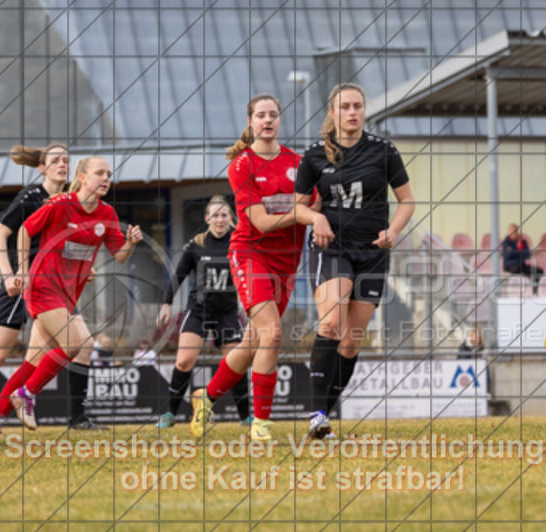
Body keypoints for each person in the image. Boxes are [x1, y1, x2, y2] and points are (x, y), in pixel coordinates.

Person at [0, 143, 107, 435]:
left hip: (55, 289)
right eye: (56, 160)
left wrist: (83, 268)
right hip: (22, 285)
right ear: (42, 167)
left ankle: (76, 418)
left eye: (67, 160)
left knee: (80, 347)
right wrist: (10, 274)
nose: (63, 164)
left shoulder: (72, 201)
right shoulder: (31, 196)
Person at [0, 156, 143, 437]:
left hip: (67, 294)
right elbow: (24, 231)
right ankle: (26, 395)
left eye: (109, 174)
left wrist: (130, 242)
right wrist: (23, 270)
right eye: (99, 173)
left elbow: (119, 257)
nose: (106, 179)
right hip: (43, 287)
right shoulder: (60, 205)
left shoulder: (107, 213)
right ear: (82, 177)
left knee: (34, 362)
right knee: (77, 343)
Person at [293, 83, 414, 440]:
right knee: (330, 324)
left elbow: (407, 201)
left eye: (357, 106)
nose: (352, 112)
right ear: (332, 112)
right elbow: (298, 206)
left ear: (364, 110)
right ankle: (316, 414)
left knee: (351, 341)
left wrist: (393, 230)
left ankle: (323, 416)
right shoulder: (315, 155)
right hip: (332, 248)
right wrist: (317, 219)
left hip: (373, 251)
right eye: (344, 106)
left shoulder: (384, 151)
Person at [188, 94, 310, 442]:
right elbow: (259, 221)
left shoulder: (299, 163)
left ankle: (206, 397)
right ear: (251, 122)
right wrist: (305, 212)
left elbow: (318, 200)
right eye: (261, 115)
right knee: (271, 334)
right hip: (250, 254)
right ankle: (261, 424)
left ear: (280, 120)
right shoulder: (242, 165)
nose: (267, 120)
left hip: (287, 264)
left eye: (273, 114)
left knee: (255, 342)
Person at [156, 195, 251, 429]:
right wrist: (166, 304)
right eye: (215, 215)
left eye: (224, 215)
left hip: (227, 313)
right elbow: (178, 276)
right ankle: (170, 414)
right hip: (198, 310)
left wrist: (253, 310)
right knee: (184, 361)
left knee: (236, 363)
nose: (220, 220)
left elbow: (251, 277)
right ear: (207, 218)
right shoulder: (196, 244)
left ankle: (245, 417)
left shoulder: (239, 243)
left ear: (231, 218)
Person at [501, 223, 543, 292]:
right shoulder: (506, 243)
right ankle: (518, 291)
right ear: (508, 232)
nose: (513, 232)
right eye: (511, 230)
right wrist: (520, 252)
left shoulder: (522, 242)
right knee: (517, 270)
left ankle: (534, 290)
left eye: (514, 230)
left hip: (522, 264)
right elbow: (508, 254)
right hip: (511, 265)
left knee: (539, 271)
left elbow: (527, 254)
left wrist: (514, 251)